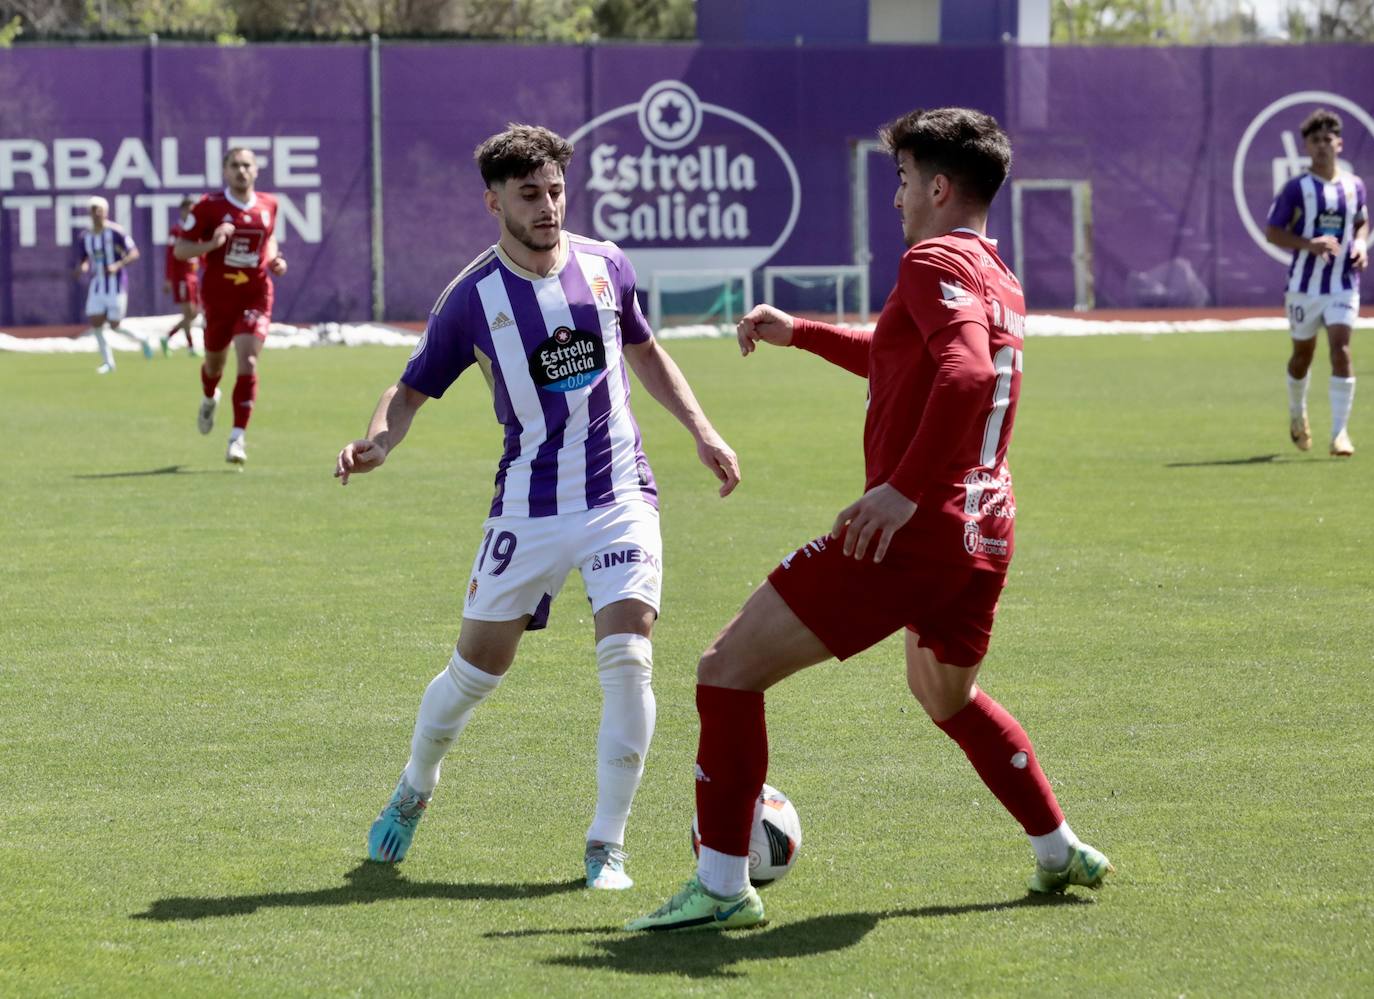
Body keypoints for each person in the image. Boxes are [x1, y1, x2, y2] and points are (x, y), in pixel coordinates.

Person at [629, 107, 1113, 933]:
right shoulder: (996, 272)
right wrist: (804, 333)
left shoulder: (929, 259)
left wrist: (902, 490)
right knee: (944, 691)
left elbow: (960, 376)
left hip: (918, 528)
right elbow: (910, 359)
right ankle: (1058, 847)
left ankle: (720, 885)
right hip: (985, 527)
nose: (894, 199)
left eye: (900, 180)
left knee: (724, 669)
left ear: (936, 185)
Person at [334, 124, 740, 891]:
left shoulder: (606, 265)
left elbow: (645, 350)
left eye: (556, 190)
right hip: (528, 505)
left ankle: (605, 846)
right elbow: (411, 387)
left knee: (629, 659)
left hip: (621, 491)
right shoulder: (471, 298)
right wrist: (378, 440)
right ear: (494, 202)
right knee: (474, 673)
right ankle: (417, 783)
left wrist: (703, 430)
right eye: (530, 194)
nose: (548, 206)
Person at [1265, 108, 1369, 457]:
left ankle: (1340, 433)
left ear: (1339, 143)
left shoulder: (1354, 186)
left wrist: (1359, 244)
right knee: (1302, 357)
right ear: (1305, 147)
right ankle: (1297, 413)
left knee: (1341, 349)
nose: (1322, 146)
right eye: (1315, 140)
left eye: (1328, 139)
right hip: (1303, 287)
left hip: (1343, 283)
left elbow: (1361, 222)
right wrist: (1310, 244)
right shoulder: (1297, 189)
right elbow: (1273, 232)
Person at [174, 148, 288, 466]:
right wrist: (211, 244)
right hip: (218, 298)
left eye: (247, 165)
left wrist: (274, 261)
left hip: (255, 295)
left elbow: (270, 239)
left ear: (256, 171)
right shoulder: (208, 207)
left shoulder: (269, 204)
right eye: (235, 165)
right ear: (225, 171)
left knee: (249, 360)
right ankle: (210, 397)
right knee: (214, 366)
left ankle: (237, 438)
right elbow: (181, 250)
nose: (241, 171)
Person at [73, 195, 149, 374]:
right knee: (95, 322)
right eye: (92, 210)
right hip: (97, 284)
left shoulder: (116, 232)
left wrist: (118, 265)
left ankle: (143, 339)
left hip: (115, 285)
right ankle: (108, 362)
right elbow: (83, 258)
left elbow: (134, 253)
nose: (96, 214)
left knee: (115, 324)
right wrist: (82, 267)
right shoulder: (86, 236)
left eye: (99, 210)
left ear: (105, 212)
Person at [162, 194, 202, 358]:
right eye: (190, 210)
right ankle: (189, 346)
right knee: (190, 313)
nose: (192, 213)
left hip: (193, 276)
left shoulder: (196, 228)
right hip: (181, 277)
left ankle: (170, 338)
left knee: (193, 314)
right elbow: (170, 255)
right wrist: (169, 278)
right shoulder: (176, 230)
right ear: (183, 211)